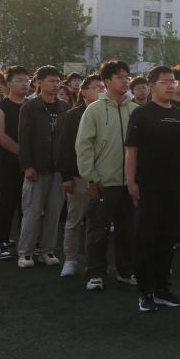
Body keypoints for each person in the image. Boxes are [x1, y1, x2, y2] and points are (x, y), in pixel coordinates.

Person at [125, 66, 180, 312]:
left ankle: (163, 288)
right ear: (152, 85)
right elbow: (131, 151)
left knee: (168, 238)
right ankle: (145, 291)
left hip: (175, 188)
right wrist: (131, 182)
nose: (171, 86)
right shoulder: (141, 114)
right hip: (148, 187)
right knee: (146, 238)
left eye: (173, 81)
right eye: (165, 82)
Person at [75, 60, 139, 291]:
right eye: (120, 77)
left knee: (127, 230)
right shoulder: (94, 110)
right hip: (103, 181)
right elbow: (84, 146)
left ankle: (126, 271)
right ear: (107, 81)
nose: (125, 81)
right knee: (98, 230)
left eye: (127, 76)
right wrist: (91, 176)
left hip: (130, 182)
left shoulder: (136, 110)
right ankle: (95, 273)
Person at [16, 66, 70, 268]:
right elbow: (24, 138)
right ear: (38, 82)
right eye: (51, 81)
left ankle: (47, 250)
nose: (56, 85)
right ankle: (26, 252)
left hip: (58, 168)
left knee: (54, 213)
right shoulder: (30, 106)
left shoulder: (64, 106)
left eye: (58, 81)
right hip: (37, 167)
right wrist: (27, 166)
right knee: (32, 211)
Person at [56, 74, 104, 277]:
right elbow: (65, 147)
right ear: (84, 92)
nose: (101, 90)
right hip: (78, 177)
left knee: (98, 223)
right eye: (97, 87)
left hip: (103, 177)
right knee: (74, 221)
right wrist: (66, 177)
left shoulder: (107, 112)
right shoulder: (73, 115)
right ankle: (70, 259)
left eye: (103, 87)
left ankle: (95, 263)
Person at [0, 66, 30, 260]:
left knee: (27, 205)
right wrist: (23, 154)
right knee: (4, 206)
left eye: (27, 80)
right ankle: (1, 242)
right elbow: (0, 135)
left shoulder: (32, 105)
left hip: (29, 165)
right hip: (6, 164)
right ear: (8, 84)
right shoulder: (1, 107)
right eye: (19, 80)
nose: (25, 84)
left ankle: (27, 242)